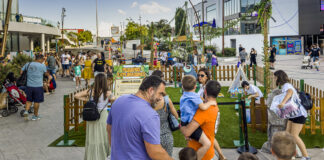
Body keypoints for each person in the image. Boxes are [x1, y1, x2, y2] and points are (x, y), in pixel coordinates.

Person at [106, 76, 172, 160]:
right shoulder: (150, 115)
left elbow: (109, 129)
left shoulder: (119, 101)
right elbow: (155, 152)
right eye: (160, 93)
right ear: (151, 90)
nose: (161, 98)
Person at [180, 80, 224, 160]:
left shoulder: (204, 111)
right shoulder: (214, 106)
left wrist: (181, 125)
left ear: (205, 91)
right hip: (209, 152)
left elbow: (187, 132)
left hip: (197, 154)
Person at [75, 74, 113, 160]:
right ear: (104, 82)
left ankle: (92, 156)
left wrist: (87, 100)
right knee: (103, 135)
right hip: (102, 115)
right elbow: (114, 98)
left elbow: (76, 95)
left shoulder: (91, 91)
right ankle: (103, 156)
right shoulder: (107, 92)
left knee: (92, 135)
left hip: (92, 115)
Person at [273, 70, 310, 160]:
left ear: (279, 77)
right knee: (287, 134)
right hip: (293, 114)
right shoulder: (285, 85)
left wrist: (282, 103)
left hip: (299, 114)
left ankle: (306, 157)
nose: (273, 78)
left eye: (275, 77)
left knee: (294, 136)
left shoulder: (286, 85)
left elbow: (290, 92)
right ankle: (290, 154)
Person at [152, 70, 179, 156]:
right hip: (166, 136)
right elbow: (176, 115)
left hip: (152, 136)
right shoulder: (167, 100)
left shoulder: (147, 101)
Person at [21, 54, 47, 121]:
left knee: (29, 100)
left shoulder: (28, 64)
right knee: (36, 101)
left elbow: (21, 72)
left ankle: (26, 111)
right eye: (43, 59)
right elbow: (46, 74)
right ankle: (35, 116)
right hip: (38, 86)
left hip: (29, 86)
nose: (43, 61)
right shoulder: (42, 66)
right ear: (40, 59)